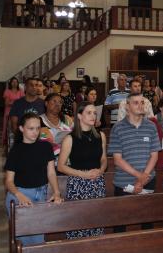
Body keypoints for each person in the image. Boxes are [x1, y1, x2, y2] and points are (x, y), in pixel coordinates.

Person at [4, 112, 63, 246]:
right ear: (21, 129)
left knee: (38, 241)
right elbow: (8, 181)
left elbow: (51, 173)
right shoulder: (16, 151)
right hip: (19, 194)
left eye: (37, 128)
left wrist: (56, 192)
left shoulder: (46, 147)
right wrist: (20, 196)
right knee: (24, 242)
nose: (35, 132)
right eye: (31, 128)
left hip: (40, 193)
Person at [108, 93, 161, 232]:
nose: (140, 105)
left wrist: (143, 178)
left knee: (147, 221)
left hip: (148, 180)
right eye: (136, 102)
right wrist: (139, 176)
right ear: (127, 106)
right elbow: (117, 160)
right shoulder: (117, 128)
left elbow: (154, 155)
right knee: (120, 223)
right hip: (124, 183)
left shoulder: (151, 126)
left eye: (142, 102)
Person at [57, 102, 107, 239]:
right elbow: (60, 166)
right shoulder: (70, 138)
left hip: (97, 182)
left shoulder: (100, 136)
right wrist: (84, 174)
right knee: (78, 222)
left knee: (96, 221)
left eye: (95, 113)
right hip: (78, 184)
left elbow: (103, 159)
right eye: (89, 113)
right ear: (79, 116)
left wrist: (101, 170)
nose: (93, 115)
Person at [39, 93, 74, 159]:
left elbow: (76, 134)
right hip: (47, 157)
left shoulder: (67, 119)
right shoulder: (39, 121)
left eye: (60, 102)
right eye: (54, 101)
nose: (57, 104)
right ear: (46, 103)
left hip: (67, 157)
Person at [3, 77, 24, 148]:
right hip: (9, 111)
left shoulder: (20, 91)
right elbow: (6, 103)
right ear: (10, 83)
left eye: (16, 82)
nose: (14, 83)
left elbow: (23, 101)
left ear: (18, 83)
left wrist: (14, 103)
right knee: (9, 128)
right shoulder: (7, 91)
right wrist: (16, 103)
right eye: (13, 82)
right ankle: (8, 144)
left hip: (19, 111)